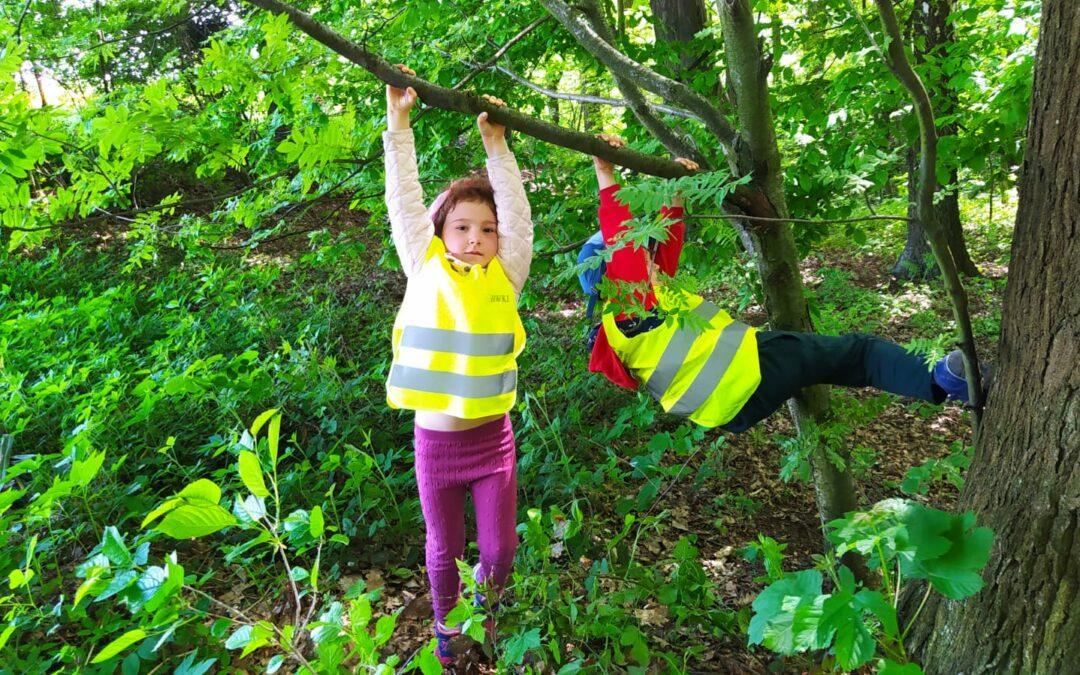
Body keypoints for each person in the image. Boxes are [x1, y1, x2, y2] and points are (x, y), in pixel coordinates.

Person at [578, 134, 982, 433]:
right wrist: (604, 171)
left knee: (832, 362)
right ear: (612, 271)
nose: (647, 252)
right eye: (637, 251)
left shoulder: (642, 306)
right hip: (749, 372)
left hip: (727, 410)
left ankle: (928, 378)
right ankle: (944, 379)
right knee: (859, 352)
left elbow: (667, 240)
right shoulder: (629, 303)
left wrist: (676, 194)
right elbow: (621, 237)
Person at [383, 65, 532, 665]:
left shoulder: (508, 274)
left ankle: (485, 621)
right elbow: (405, 196)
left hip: (492, 442)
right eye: (463, 226)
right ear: (441, 232)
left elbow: (518, 216)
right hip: (435, 446)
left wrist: (497, 144)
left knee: (498, 552)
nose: (476, 237)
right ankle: (449, 637)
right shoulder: (425, 264)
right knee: (444, 549)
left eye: (487, 230)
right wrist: (398, 121)